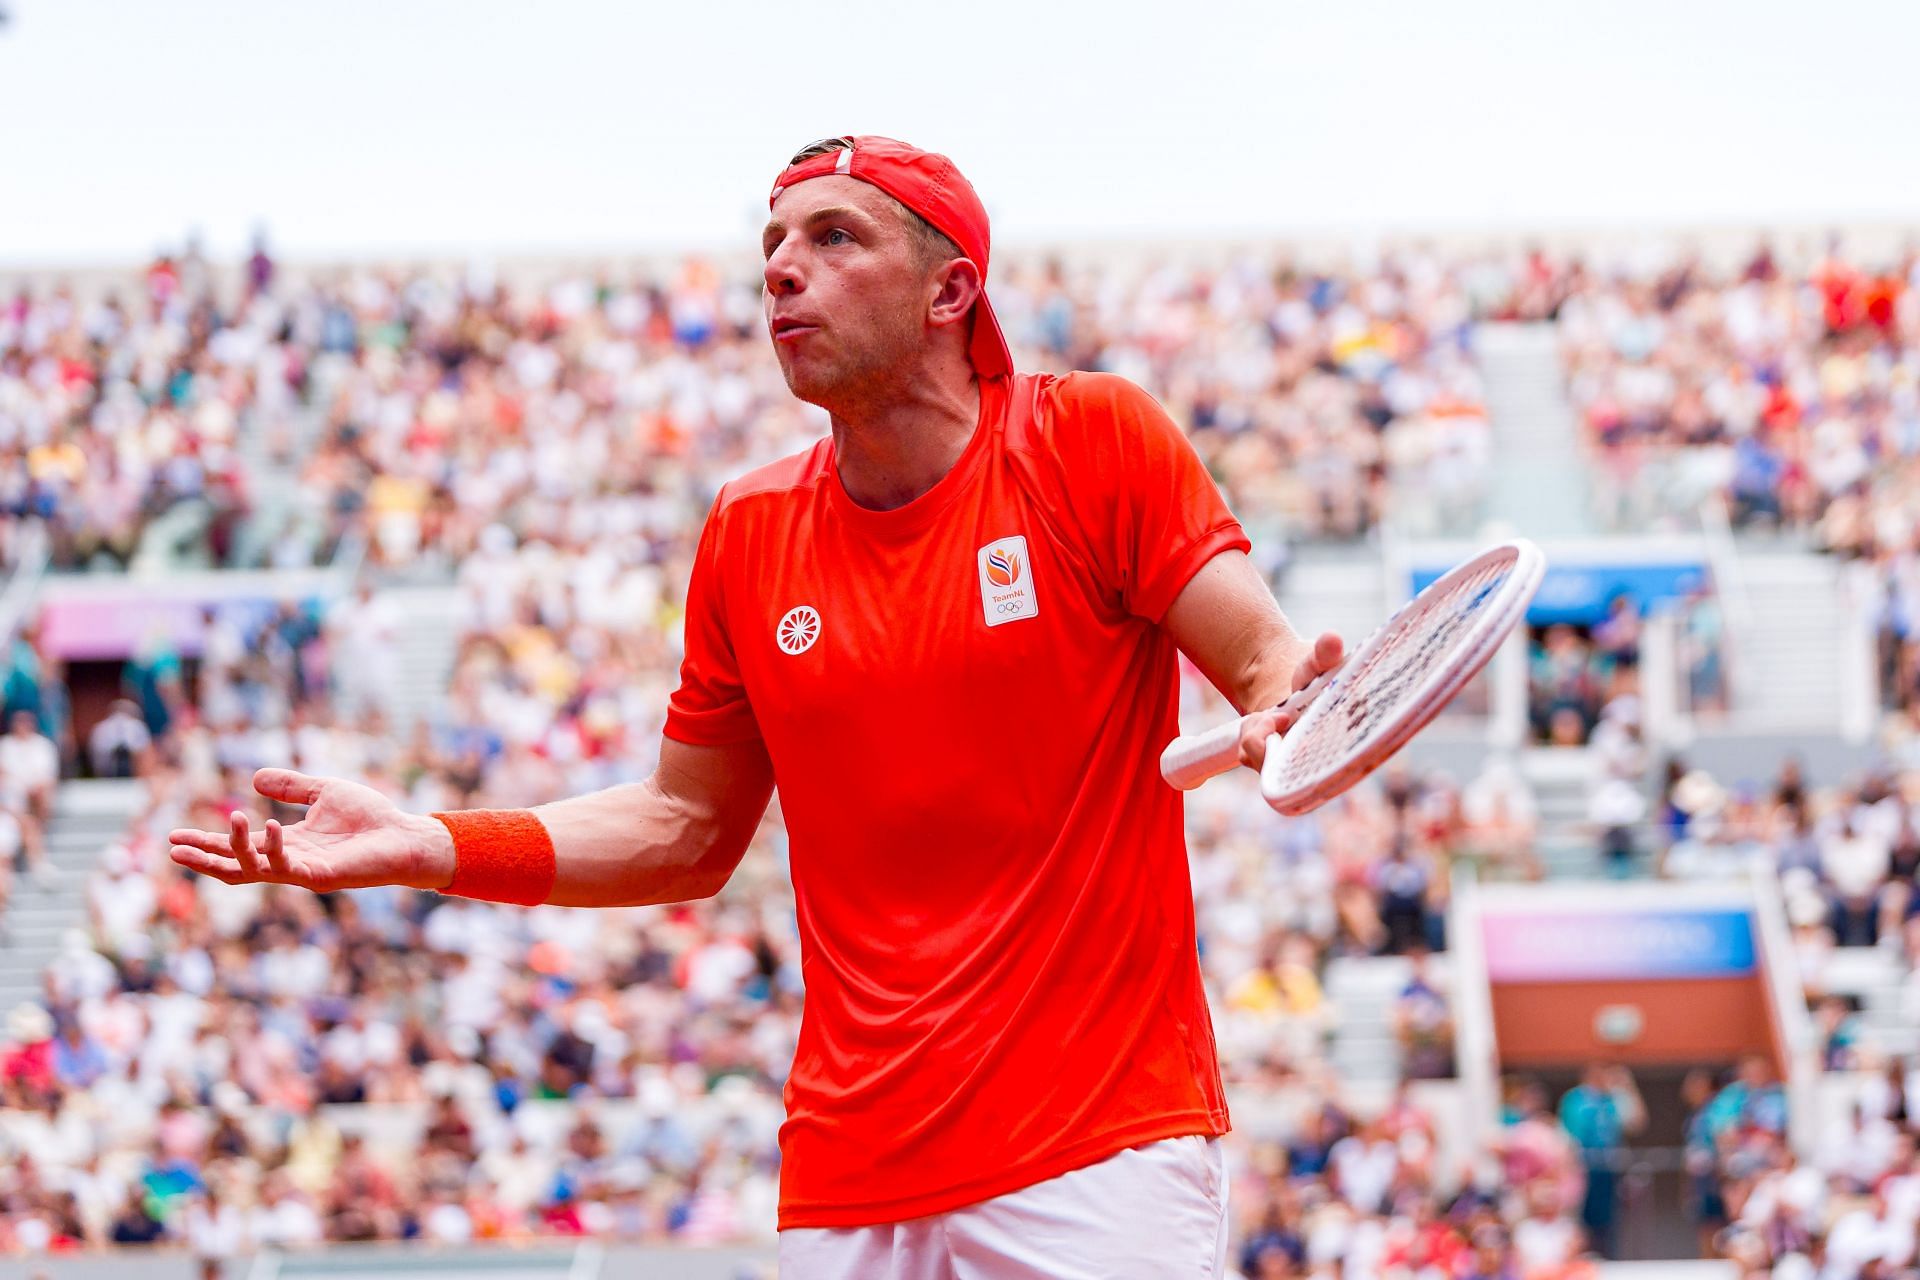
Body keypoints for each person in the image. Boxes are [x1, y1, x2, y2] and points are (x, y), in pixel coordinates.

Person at [167, 135, 1346, 1279]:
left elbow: (1267, 660)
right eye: (773, 242)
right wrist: (430, 843)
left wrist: (1294, 704)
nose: (781, 267)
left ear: (953, 291)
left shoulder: (1091, 440)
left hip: (1098, 1151)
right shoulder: (747, 529)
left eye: (835, 237)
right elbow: (687, 828)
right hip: (849, 1165)